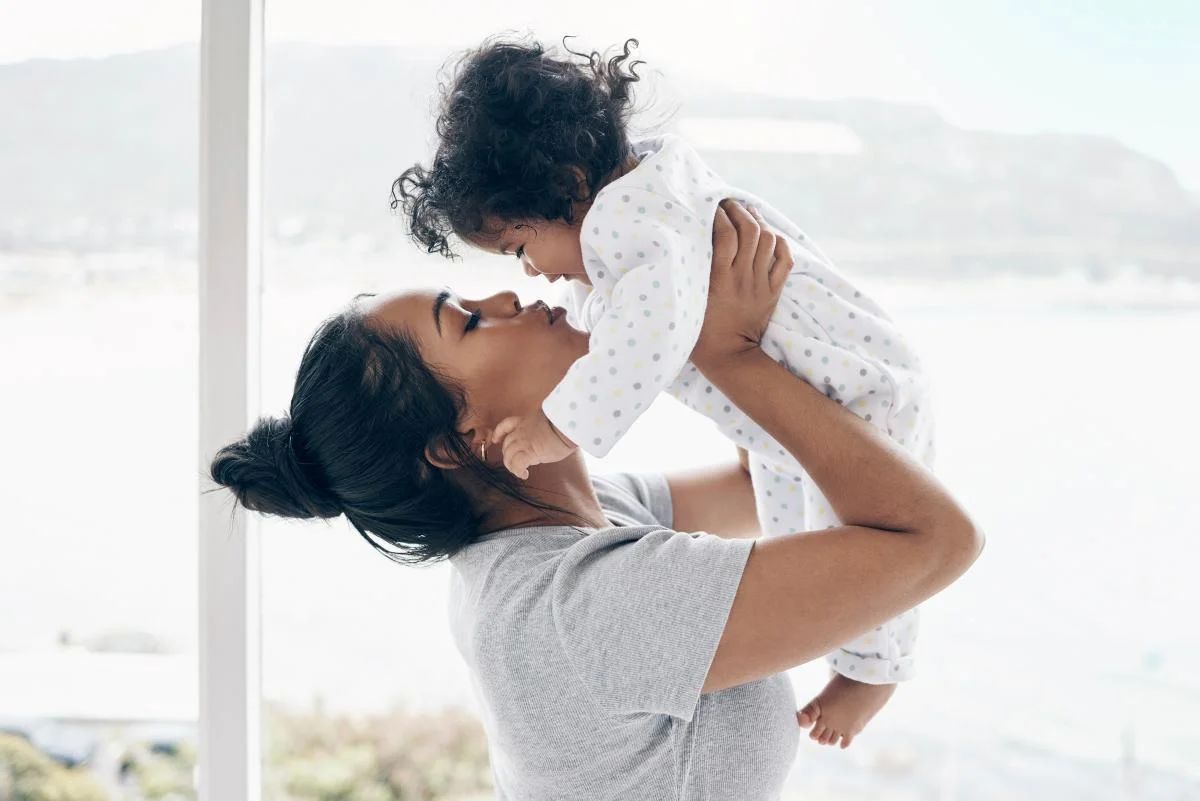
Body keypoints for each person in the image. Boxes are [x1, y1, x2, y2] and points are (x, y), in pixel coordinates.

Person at [209, 201, 982, 798]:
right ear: (455, 442)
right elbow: (938, 541)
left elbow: (759, 484)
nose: (508, 295)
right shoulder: (581, 606)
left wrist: (690, 313)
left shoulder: (574, 526)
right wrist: (731, 356)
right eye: (470, 321)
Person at [394, 36, 933, 738]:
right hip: (813, 396)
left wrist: (558, 425)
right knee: (792, 513)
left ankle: (874, 669)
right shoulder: (639, 206)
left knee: (855, 538)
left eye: (521, 247)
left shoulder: (634, 225)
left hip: (857, 388)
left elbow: (644, 338)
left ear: (568, 185)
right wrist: (732, 362)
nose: (524, 278)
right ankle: (865, 659)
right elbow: (618, 324)